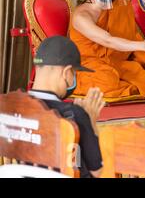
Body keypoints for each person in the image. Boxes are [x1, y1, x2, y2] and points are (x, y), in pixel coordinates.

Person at [28, 36, 104, 178]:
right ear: (66, 72)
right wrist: (90, 121)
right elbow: (97, 171)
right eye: (74, 73)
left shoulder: (11, 106)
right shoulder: (72, 115)